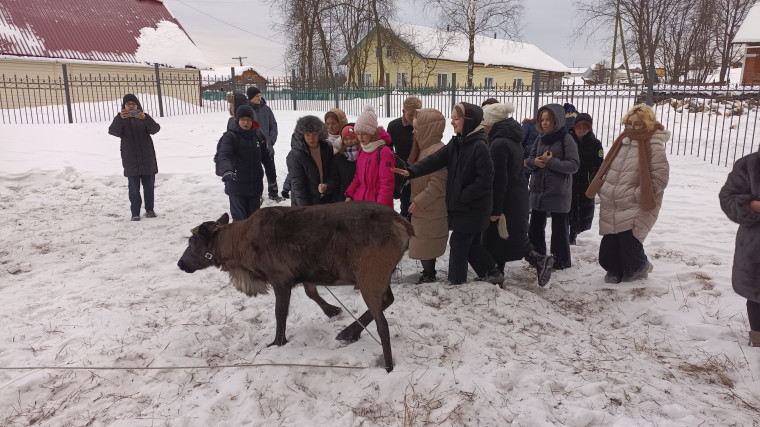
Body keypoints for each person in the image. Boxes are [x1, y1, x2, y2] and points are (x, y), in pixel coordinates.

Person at [392, 102, 499, 286]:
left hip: (474, 206)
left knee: (458, 243)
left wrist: (463, 195)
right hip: (464, 205)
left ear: (469, 121)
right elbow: (436, 159)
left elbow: (485, 180)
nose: (452, 122)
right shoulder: (458, 142)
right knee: (470, 244)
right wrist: (413, 171)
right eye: (452, 118)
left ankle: (456, 283)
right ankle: (492, 272)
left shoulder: (478, 146)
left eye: (456, 118)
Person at [586, 104, 669, 283]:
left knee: (629, 244)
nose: (631, 128)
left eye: (637, 124)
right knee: (608, 250)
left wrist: (638, 194)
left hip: (635, 204)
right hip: (613, 203)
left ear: (647, 123)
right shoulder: (623, 141)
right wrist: (605, 186)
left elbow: (660, 179)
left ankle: (640, 268)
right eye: (628, 124)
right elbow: (609, 166)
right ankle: (615, 269)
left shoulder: (654, 145)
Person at [481, 102, 553, 287]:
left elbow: (499, 179)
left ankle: (537, 260)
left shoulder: (498, 143)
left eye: (485, 122)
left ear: (492, 123)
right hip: (516, 194)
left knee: (502, 238)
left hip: (507, 199)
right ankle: (498, 275)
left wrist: (495, 209)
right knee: (502, 239)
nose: (483, 126)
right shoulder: (510, 138)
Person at [526, 104, 580, 271]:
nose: (544, 123)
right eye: (542, 120)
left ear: (557, 120)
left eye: (548, 120)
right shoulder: (540, 138)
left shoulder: (566, 139)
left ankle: (561, 261)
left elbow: (574, 165)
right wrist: (534, 162)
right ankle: (538, 258)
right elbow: (530, 158)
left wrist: (552, 162)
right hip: (538, 190)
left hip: (558, 192)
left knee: (559, 229)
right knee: (535, 227)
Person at [719, 149, 760, 348]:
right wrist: (751, 206)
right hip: (756, 247)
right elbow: (728, 197)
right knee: (757, 296)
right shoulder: (750, 164)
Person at [406, 108, 448, 283]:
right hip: (424, 208)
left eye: (416, 128)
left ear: (428, 128)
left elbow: (438, 183)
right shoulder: (425, 149)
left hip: (432, 207)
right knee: (423, 241)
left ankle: (429, 274)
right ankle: (428, 272)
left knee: (426, 241)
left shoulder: (437, 151)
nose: (413, 131)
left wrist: (419, 201)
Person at [216, 105, 276, 222]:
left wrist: (272, 180)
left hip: (255, 187)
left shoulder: (258, 135)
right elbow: (225, 155)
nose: (245, 122)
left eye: (248, 120)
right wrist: (227, 170)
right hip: (236, 186)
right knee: (240, 222)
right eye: (243, 119)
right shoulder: (230, 136)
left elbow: (267, 159)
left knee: (253, 222)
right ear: (237, 120)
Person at [108, 93, 161, 221]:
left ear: (138, 105)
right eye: (128, 104)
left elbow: (155, 129)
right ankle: (135, 212)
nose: (131, 107)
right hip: (130, 158)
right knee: (133, 188)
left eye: (133, 104)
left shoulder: (143, 117)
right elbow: (113, 132)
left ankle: (150, 209)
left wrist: (145, 119)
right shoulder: (121, 118)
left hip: (147, 157)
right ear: (124, 106)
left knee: (149, 187)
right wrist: (119, 119)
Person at [345, 106, 395, 209]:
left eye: (364, 134)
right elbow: (358, 177)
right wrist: (350, 194)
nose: (360, 138)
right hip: (361, 201)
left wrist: (380, 208)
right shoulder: (362, 150)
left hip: (376, 203)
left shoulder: (384, 152)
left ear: (372, 133)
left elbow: (386, 184)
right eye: (358, 134)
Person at [569, 113, 604, 244]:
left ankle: (576, 231)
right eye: (579, 126)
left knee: (582, 209)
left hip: (585, 182)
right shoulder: (568, 140)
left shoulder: (595, 144)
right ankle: (569, 234)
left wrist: (594, 180)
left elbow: (600, 164)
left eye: (586, 126)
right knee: (568, 208)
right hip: (569, 181)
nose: (582, 129)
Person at [286, 115, 334, 206]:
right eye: (308, 135)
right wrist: (305, 211)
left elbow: (331, 172)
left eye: (314, 134)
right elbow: (298, 186)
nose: (311, 139)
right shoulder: (295, 155)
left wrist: (327, 186)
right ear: (302, 134)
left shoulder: (327, 147)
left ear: (320, 134)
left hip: (325, 200)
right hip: (305, 204)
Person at [387, 96, 422, 219]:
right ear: (403, 112)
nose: (414, 119)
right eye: (410, 115)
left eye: (417, 115)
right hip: (403, 174)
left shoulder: (424, 125)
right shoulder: (394, 126)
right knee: (406, 207)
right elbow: (388, 150)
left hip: (422, 171)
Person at [247, 86, 280, 201]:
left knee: (271, 170)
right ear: (250, 97)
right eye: (256, 96)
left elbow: (273, 125)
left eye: (260, 95)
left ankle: (274, 193)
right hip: (254, 147)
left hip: (267, 145)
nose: (259, 98)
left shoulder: (266, 109)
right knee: (256, 172)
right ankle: (258, 194)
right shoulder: (247, 110)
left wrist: (271, 139)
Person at [326, 123, 358, 202]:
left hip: (361, 196)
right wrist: (327, 186)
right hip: (344, 198)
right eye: (346, 139)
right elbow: (334, 178)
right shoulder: (338, 158)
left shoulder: (364, 155)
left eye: (352, 138)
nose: (349, 141)